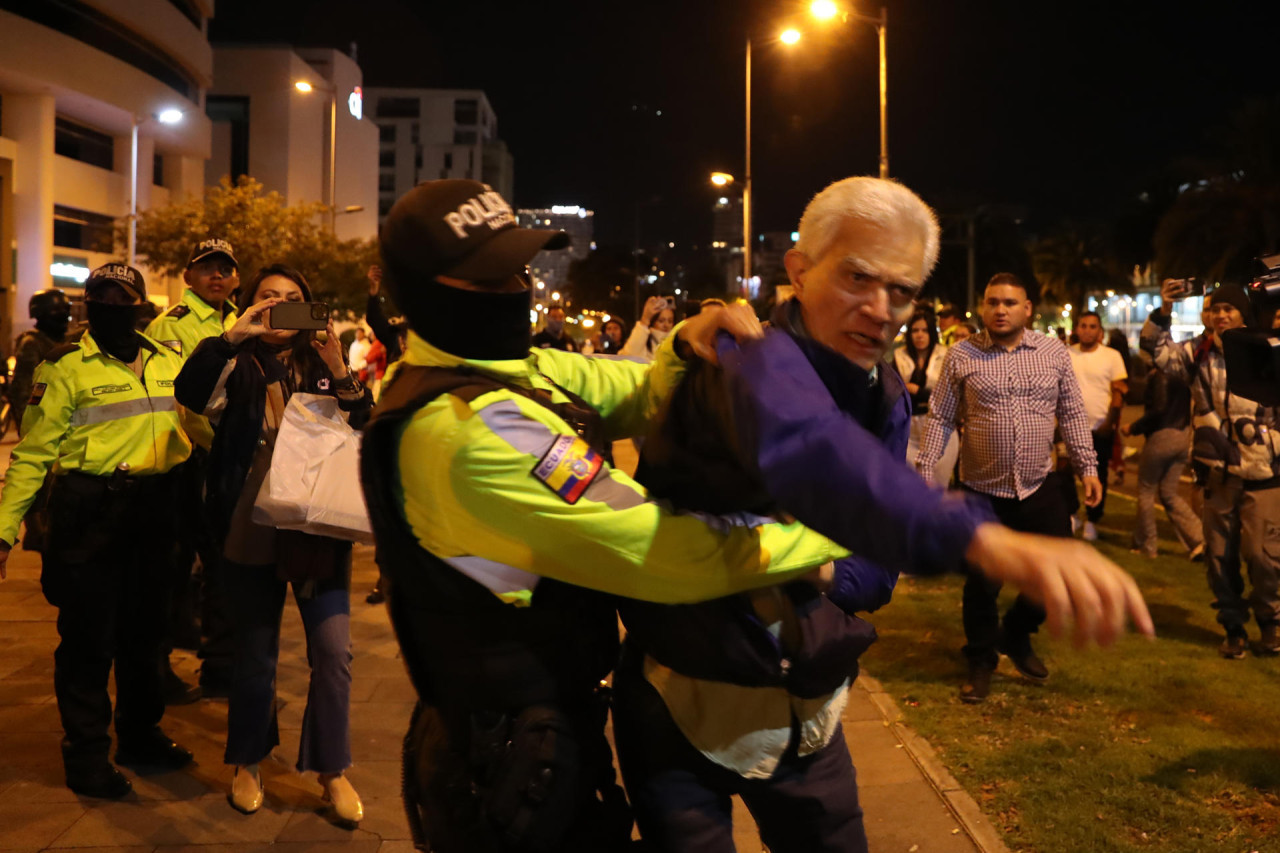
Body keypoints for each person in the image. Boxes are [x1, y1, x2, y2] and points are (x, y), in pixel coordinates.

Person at [616, 178, 1151, 849]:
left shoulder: (885, 390)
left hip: (809, 712)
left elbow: (874, 570)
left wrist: (825, 570)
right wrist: (986, 540)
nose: (879, 308)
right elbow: (814, 447)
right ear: (799, 271)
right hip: (683, 704)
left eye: (901, 291)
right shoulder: (739, 357)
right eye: (857, 277)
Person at [361, 179, 848, 853]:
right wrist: (831, 527)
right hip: (503, 763)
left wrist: (685, 342)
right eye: (491, 275)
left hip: (535, 733)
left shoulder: (510, 369)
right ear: (426, 291)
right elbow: (666, 551)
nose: (517, 285)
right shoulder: (469, 430)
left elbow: (635, 389)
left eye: (519, 265)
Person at [174, 265, 372, 822]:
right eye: (267, 299)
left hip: (318, 526)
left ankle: (332, 770)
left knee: (334, 653)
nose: (279, 309)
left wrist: (340, 367)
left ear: (309, 309)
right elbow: (188, 393)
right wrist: (231, 337)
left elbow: (368, 421)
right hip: (249, 522)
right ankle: (247, 761)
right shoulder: (235, 362)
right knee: (254, 655)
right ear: (250, 305)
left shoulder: (323, 366)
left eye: (292, 301)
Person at [0, 263, 194, 798]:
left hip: (155, 513)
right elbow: (32, 455)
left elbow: (197, 424)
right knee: (88, 642)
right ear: (90, 307)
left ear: (137, 306)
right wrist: (3, 529)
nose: (113, 308)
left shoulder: (164, 361)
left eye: (123, 299)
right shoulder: (64, 368)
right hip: (89, 516)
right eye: (102, 300)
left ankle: (140, 735)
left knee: (146, 636)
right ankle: (86, 756)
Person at [918, 273, 1103, 703]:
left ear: (1027, 310)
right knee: (982, 583)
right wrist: (928, 472)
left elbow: (1073, 413)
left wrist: (1087, 467)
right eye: (992, 302)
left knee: (1058, 571)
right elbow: (941, 416)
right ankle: (981, 661)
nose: (1000, 310)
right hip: (981, 489)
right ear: (982, 307)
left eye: (1009, 302)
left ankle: (1016, 633)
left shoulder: (1053, 352)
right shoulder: (962, 355)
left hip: (1039, 485)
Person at [1142, 278, 1280, 658]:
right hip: (1217, 475)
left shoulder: (1267, 351)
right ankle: (1233, 628)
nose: (1221, 315)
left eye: (1229, 309)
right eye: (1215, 309)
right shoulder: (1195, 354)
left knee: (1264, 557)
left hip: (1264, 474)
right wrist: (1163, 310)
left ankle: (1271, 623)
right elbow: (1153, 350)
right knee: (1219, 559)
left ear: (1243, 314)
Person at [146, 238, 242, 700]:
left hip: (232, 457)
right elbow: (180, 399)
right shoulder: (173, 325)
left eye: (225, 268)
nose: (217, 276)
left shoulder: (244, 320)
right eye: (207, 268)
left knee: (226, 565)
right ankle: (157, 667)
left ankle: (221, 666)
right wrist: (220, 443)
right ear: (188, 277)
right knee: (175, 566)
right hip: (191, 458)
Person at [1122, 350, 1203, 560]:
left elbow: (1158, 409)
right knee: (1168, 493)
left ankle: (1148, 546)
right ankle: (1199, 539)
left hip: (1162, 436)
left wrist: (1134, 427)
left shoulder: (1160, 376)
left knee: (1146, 490)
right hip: (1182, 435)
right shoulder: (1182, 375)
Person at [1065, 312, 1128, 541]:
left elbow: (1119, 391)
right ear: (1077, 329)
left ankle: (1092, 519)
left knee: (1098, 475)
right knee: (1064, 473)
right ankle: (1072, 513)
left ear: (1099, 330)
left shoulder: (1111, 356)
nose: (1088, 330)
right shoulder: (1066, 354)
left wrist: (1110, 422)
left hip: (1100, 426)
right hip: (1070, 427)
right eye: (1083, 326)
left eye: (1092, 326)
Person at [893, 309, 959, 485]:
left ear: (931, 332)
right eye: (915, 330)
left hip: (939, 427)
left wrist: (918, 391)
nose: (919, 335)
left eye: (924, 330)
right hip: (910, 428)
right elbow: (893, 391)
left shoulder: (946, 354)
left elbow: (950, 395)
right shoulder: (900, 355)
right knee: (912, 487)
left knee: (937, 487)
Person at [11, 288, 72, 432]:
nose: (63, 314)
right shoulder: (32, 344)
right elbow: (22, 390)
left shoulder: (67, 341)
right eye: (56, 310)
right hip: (43, 422)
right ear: (40, 314)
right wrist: (27, 428)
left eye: (65, 309)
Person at [621, 295, 676, 361]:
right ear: (653, 322)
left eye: (670, 321)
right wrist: (645, 319)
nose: (666, 325)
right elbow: (627, 355)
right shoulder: (644, 343)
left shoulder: (677, 343)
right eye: (661, 321)